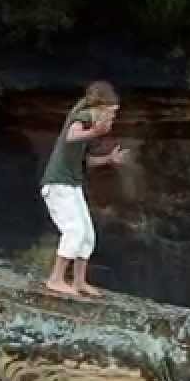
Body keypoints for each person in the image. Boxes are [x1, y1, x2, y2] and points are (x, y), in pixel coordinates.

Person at [39, 80, 129, 297]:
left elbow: (85, 161)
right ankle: (55, 279)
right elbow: (71, 135)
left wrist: (109, 159)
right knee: (74, 231)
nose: (113, 118)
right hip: (58, 184)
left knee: (87, 234)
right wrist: (96, 130)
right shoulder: (86, 114)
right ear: (100, 107)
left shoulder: (89, 123)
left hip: (71, 184)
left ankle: (79, 281)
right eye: (111, 112)